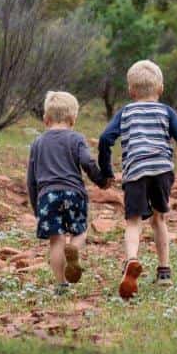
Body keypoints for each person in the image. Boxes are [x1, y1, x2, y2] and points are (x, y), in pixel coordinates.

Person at [98, 59, 177, 299]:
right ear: (160, 89)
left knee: (133, 222)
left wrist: (107, 172)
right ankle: (164, 273)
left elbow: (105, 138)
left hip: (136, 170)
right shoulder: (166, 111)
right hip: (161, 170)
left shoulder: (125, 112)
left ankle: (132, 260)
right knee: (159, 219)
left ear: (131, 91)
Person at [26, 91, 109, 294]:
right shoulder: (76, 138)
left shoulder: (38, 143)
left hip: (47, 196)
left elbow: (31, 179)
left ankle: (61, 284)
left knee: (56, 240)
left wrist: (36, 207)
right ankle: (75, 249)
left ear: (46, 119)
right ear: (73, 119)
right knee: (79, 231)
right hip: (73, 194)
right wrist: (100, 180)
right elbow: (87, 162)